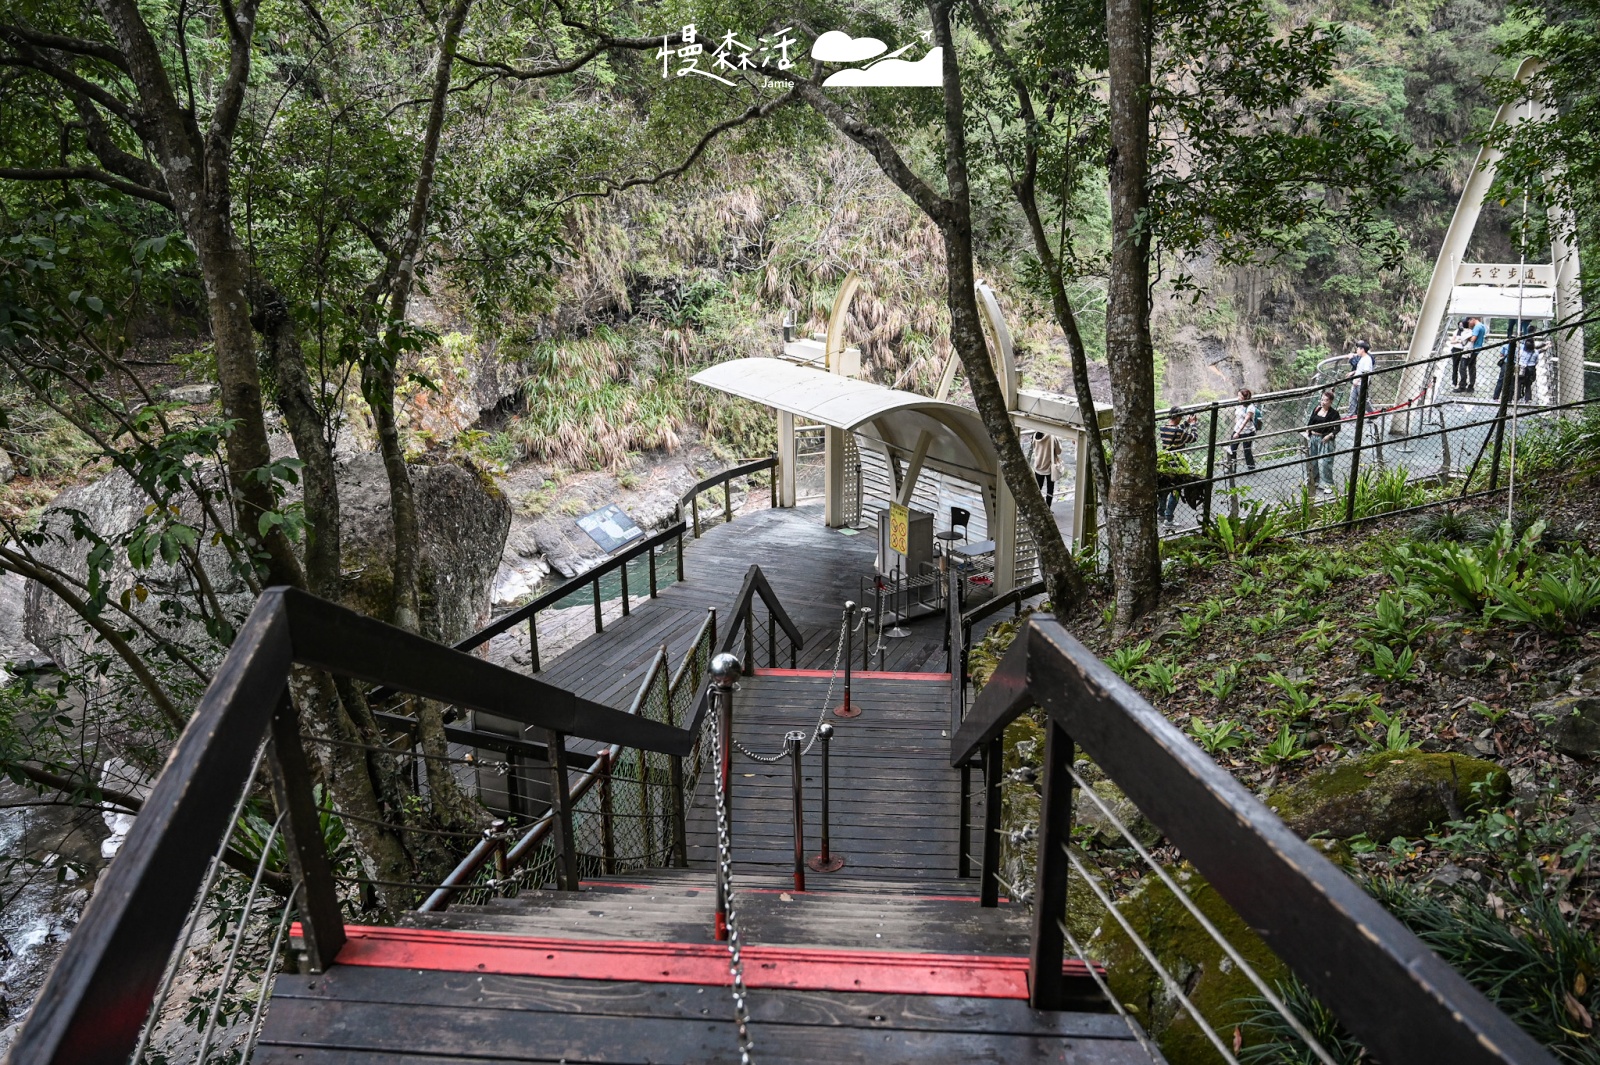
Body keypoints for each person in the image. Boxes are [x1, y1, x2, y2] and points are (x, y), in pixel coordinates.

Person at [1158, 409, 1198, 529]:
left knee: (1164, 489)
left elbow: (1175, 430)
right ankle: (1169, 519)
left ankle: (1161, 513)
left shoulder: (1163, 428)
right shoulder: (1179, 431)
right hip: (1177, 464)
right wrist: (1193, 425)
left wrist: (1186, 423)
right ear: (1178, 417)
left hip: (1165, 463)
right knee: (1175, 491)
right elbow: (1193, 438)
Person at [1305, 390, 1340, 494]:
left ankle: (1328, 484)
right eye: (1322, 399)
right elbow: (1310, 422)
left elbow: (1337, 428)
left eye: (1326, 400)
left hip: (1325, 439)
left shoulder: (1334, 413)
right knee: (1313, 461)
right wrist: (1308, 431)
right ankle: (1314, 480)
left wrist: (1329, 436)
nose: (1323, 402)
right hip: (1314, 439)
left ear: (1331, 402)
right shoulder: (1316, 409)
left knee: (1325, 462)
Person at [1229, 388, 1259, 471]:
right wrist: (1236, 427)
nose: (1238, 397)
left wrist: (1237, 432)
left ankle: (1251, 468)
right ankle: (1232, 468)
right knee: (1232, 449)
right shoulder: (1238, 404)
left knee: (1247, 450)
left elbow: (1246, 420)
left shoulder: (1250, 407)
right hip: (1237, 429)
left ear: (1244, 397)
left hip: (1248, 431)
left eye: (1239, 396)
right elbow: (1237, 416)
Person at [1031, 431, 1060, 504]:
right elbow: (1058, 451)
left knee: (1038, 489)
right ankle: (1048, 508)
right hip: (1050, 467)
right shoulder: (1052, 437)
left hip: (1038, 466)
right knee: (1050, 490)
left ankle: (1037, 506)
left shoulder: (1035, 435)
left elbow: (1034, 447)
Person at [1345, 341, 1373, 416]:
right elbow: (1360, 369)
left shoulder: (1367, 359)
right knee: (1352, 398)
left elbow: (1366, 371)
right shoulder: (1362, 358)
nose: (1356, 350)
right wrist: (1353, 373)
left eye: (1358, 349)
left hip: (1361, 383)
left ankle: (1372, 414)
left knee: (1363, 400)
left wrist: (1357, 380)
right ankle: (1350, 415)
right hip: (1356, 382)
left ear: (1362, 350)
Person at [1447, 318, 1471, 391]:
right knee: (1455, 366)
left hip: (1463, 350)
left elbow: (1465, 341)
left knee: (1462, 368)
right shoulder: (1456, 332)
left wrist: (1459, 341)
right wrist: (1459, 341)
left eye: (1462, 324)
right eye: (1460, 324)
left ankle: (1463, 383)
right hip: (1455, 349)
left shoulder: (1467, 332)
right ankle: (1454, 382)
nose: (1461, 326)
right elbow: (1452, 341)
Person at [1517, 336, 1539, 402]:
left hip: (1522, 367)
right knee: (1528, 384)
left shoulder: (1521, 351)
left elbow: (1518, 358)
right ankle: (1528, 398)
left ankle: (1517, 397)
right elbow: (1536, 361)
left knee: (1519, 383)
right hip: (1531, 368)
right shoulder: (1536, 352)